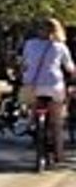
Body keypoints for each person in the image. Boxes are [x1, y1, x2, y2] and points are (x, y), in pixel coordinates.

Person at [18, 17, 75, 165]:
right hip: (54, 85)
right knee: (57, 122)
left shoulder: (29, 44)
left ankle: (31, 122)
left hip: (32, 84)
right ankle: (59, 155)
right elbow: (70, 68)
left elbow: (24, 63)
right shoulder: (60, 47)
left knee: (33, 103)